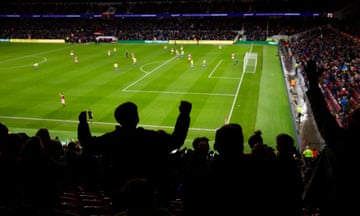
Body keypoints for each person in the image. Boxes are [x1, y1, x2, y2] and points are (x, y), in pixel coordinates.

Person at [77, 100, 192, 213]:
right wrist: (184, 115)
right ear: (136, 118)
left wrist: (83, 123)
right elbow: (176, 141)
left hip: (121, 195)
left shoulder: (112, 139)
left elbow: (88, 144)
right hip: (148, 194)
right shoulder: (149, 137)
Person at [302, 59, 360, 215]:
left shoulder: (340, 140)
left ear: (350, 122)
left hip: (332, 201)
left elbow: (321, 114)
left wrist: (313, 84)